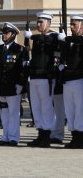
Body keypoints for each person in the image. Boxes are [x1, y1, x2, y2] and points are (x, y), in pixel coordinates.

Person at [0, 22, 29, 146]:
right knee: (4, 113)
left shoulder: (19, 49)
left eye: (6, 33)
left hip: (13, 86)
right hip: (1, 86)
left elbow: (23, 69)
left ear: (13, 34)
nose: (4, 35)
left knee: (14, 113)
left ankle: (14, 138)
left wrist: (21, 84)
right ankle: (5, 137)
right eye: (3, 33)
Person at [24, 12, 56, 148]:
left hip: (46, 77)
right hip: (35, 76)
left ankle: (46, 136)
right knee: (36, 107)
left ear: (48, 23)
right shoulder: (37, 39)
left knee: (46, 107)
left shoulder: (53, 37)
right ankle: (40, 133)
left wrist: (32, 36)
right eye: (37, 22)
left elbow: (48, 41)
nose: (38, 24)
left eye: (41, 22)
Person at [59, 15, 83, 148]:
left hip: (79, 79)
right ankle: (74, 135)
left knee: (80, 109)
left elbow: (79, 40)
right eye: (71, 24)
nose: (71, 27)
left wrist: (66, 38)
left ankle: (80, 137)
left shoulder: (79, 40)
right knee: (70, 110)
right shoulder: (69, 42)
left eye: (74, 24)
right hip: (67, 80)